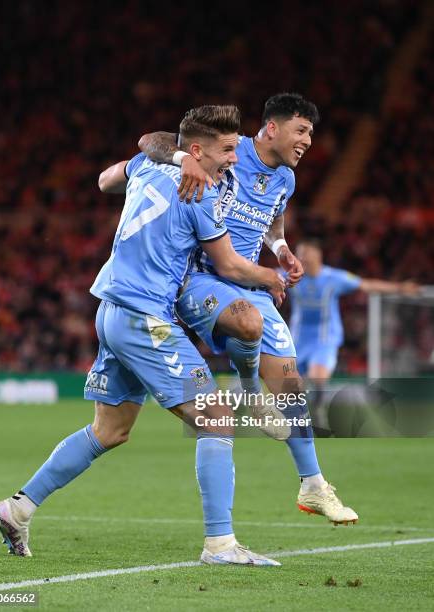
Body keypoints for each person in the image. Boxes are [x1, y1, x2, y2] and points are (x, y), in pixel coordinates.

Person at [0, 105, 287, 566]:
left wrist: (166, 157)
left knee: (110, 430)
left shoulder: (150, 163)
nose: (234, 158)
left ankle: (17, 508)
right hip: (145, 314)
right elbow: (228, 266)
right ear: (197, 150)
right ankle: (221, 545)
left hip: (110, 309)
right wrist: (271, 277)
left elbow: (106, 179)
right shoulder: (201, 194)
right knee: (216, 415)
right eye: (227, 149)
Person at [137, 93, 358, 524]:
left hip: (250, 277)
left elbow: (272, 221)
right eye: (302, 130)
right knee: (248, 322)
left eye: (311, 133)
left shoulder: (286, 180)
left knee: (290, 378)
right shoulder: (229, 153)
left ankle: (313, 485)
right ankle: (252, 395)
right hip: (201, 277)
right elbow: (149, 140)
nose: (308, 141)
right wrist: (183, 157)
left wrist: (281, 249)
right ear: (271, 128)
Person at [289, 238, 420, 406]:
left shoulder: (334, 278)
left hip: (324, 339)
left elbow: (366, 284)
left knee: (317, 378)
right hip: (296, 339)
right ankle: (302, 416)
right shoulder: (290, 275)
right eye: (299, 254)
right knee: (290, 387)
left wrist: (400, 288)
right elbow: (266, 276)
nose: (301, 258)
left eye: (305, 254)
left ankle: (317, 413)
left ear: (317, 255)